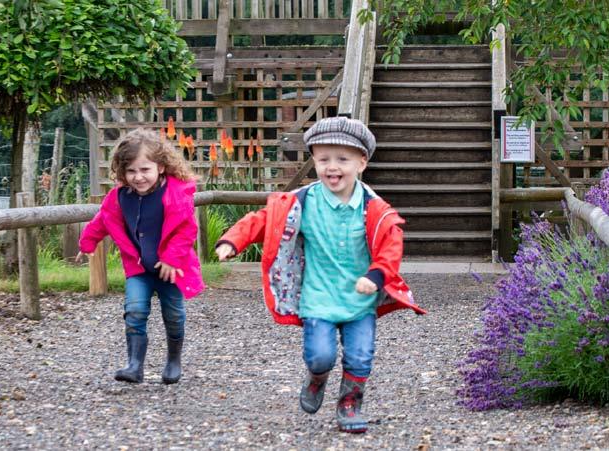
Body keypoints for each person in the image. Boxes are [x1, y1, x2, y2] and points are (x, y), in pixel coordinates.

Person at [215, 116, 426, 433]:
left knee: (360, 357)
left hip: (359, 303)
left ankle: (349, 404)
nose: (332, 167)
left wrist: (377, 275)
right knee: (319, 356)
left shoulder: (374, 209)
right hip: (318, 300)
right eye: (324, 159)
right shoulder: (301, 203)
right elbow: (263, 219)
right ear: (314, 160)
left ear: (362, 162)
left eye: (342, 159)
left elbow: (390, 247)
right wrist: (233, 240)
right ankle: (316, 377)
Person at [78, 128, 204, 385]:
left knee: (174, 316)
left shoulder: (175, 195)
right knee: (134, 310)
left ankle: (173, 361)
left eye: (145, 170)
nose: (138, 177)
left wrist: (171, 259)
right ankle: (134, 365)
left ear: (161, 167)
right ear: (122, 171)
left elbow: (186, 230)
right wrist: (88, 242)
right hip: (139, 269)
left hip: (171, 269)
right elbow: (103, 220)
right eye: (131, 171)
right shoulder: (120, 197)